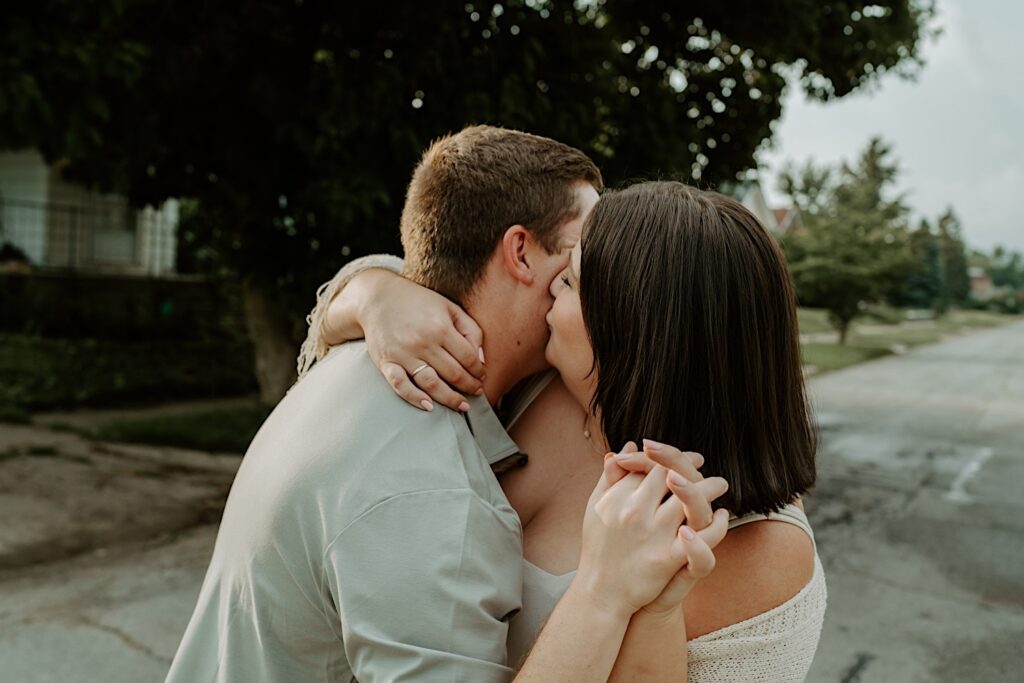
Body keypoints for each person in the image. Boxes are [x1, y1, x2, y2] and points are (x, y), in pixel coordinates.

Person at [167, 127, 729, 683]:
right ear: (521, 253)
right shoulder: (433, 495)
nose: (603, 266)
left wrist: (367, 290)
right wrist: (604, 596)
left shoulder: (365, 355)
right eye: (584, 252)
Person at [309, 180, 827, 681]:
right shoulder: (547, 384)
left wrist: (620, 595)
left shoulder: (763, 553)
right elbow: (416, 284)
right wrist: (371, 298)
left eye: (573, 279)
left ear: (629, 329)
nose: (552, 283)